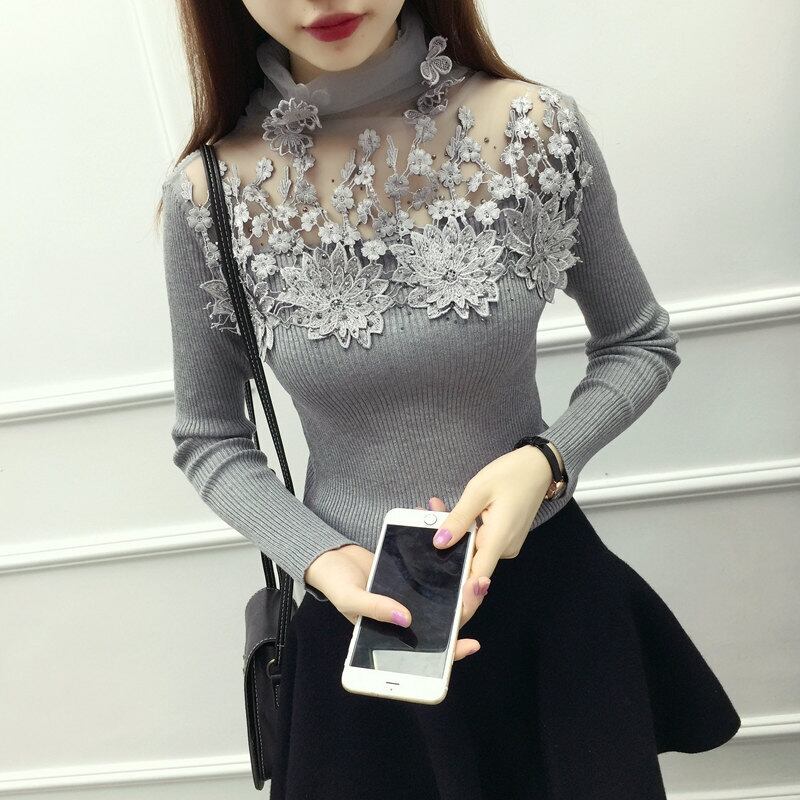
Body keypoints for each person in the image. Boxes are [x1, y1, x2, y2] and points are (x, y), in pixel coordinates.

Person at [157, 1, 741, 797]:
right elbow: (210, 437)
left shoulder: (534, 129)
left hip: (547, 609)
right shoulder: (210, 194)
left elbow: (638, 341)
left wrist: (545, 461)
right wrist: (320, 559)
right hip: (362, 620)